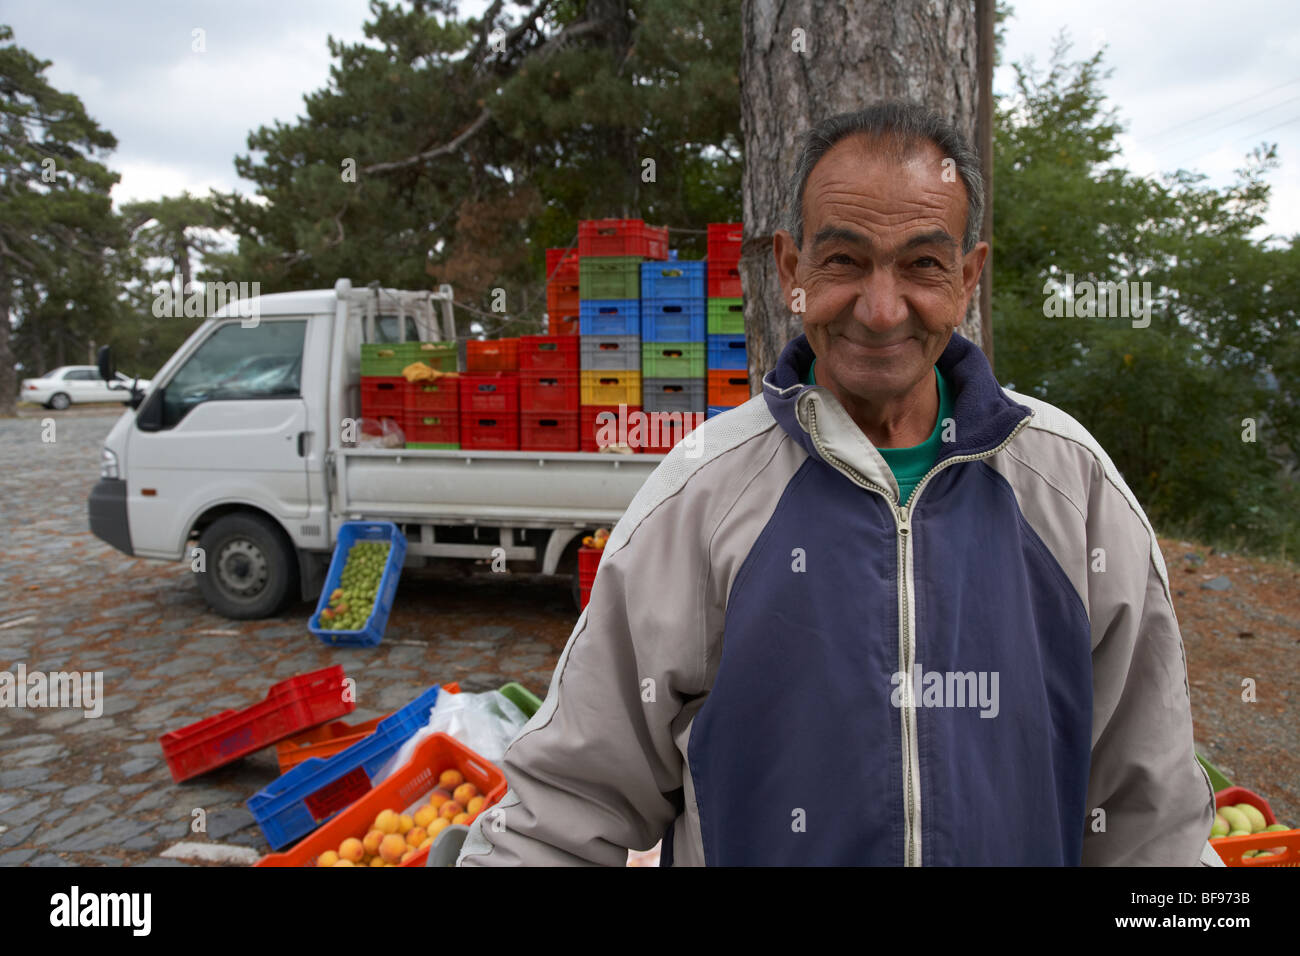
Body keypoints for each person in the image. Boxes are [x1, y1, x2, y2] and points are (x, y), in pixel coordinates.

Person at [458, 102, 1222, 866]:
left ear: (968, 277)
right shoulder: (703, 498)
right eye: (845, 260)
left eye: (923, 263)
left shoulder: (1069, 488)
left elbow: (1151, 821)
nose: (881, 310)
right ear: (791, 270)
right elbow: (562, 810)